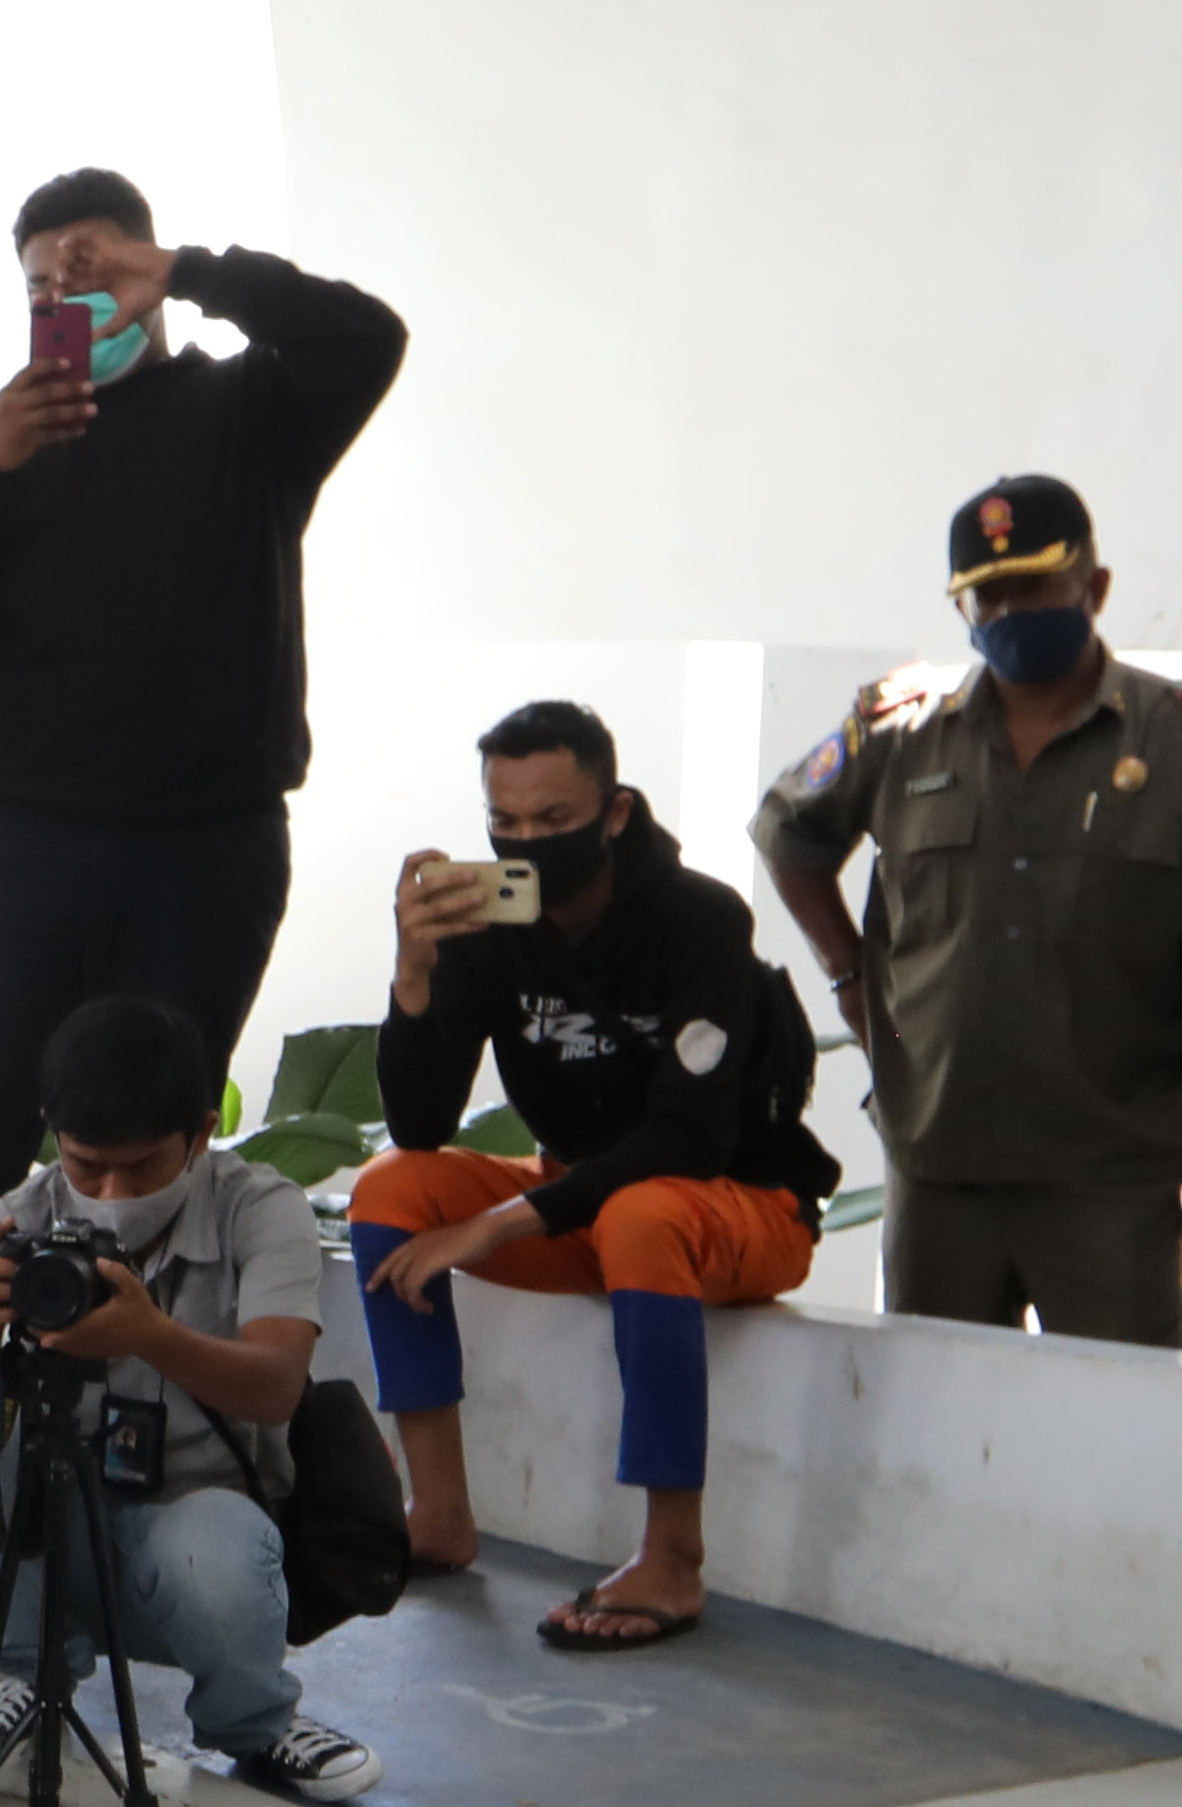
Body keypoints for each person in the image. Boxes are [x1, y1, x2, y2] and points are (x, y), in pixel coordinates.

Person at [0, 173, 407, 1557]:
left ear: (145, 281)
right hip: (15, 844)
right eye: (47, 280)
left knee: (151, 1147)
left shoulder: (245, 413)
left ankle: (155, 1442)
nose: (70, 298)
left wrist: (197, 267)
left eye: (96, 275)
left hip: (203, 842)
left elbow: (366, 338)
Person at [351, 702, 839, 1652]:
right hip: (585, 1206)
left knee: (644, 1212)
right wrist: (415, 971)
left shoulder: (697, 917)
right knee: (389, 1190)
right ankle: (438, 1513)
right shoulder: (492, 926)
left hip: (742, 1208)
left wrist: (493, 1226)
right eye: (507, 822)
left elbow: (687, 1141)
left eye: (554, 821)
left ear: (614, 813)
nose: (526, 841)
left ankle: (672, 1557)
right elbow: (419, 1125)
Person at [755, 473, 1182, 1341]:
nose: (1009, 612)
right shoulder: (901, 727)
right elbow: (787, 835)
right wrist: (848, 970)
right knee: (936, 1438)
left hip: (1110, 1177)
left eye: (1035, 585)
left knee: (1119, 1436)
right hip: (940, 1167)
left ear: (1095, 588)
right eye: (986, 595)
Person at [0, 990, 381, 1803]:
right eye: (85, 1164)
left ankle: (254, 1723)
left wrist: (150, 1336)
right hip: (51, 1530)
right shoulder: (9, 1224)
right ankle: (18, 1677)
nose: (112, 1191)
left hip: (200, 1518)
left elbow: (277, 1387)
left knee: (209, 1554)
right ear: (54, 1135)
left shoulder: (260, 1209)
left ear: (201, 1134)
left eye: (145, 1166)